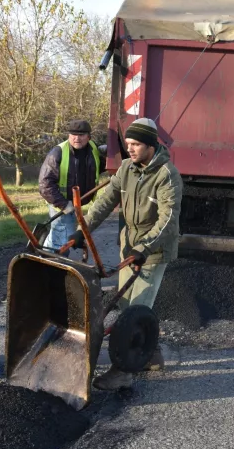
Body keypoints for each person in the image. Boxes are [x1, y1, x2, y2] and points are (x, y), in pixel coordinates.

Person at [68, 118, 183, 390]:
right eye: (128, 144)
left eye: (136, 144)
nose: (130, 149)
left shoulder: (167, 175)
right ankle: (150, 357)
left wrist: (144, 248)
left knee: (134, 310)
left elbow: (168, 220)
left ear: (151, 146)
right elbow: (106, 201)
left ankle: (122, 371)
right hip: (129, 246)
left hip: (152, 251)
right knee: (125, 306)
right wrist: (81, 231)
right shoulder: (127, 169)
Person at [38, 119, 105, 254]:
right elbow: (45, 184)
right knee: (63, 240)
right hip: (61, 203)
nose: (76, 138)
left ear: (88, 137)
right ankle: (56, 269)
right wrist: (64, 204)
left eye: (81, 135)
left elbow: (99, 167)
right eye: (73, 134)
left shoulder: (93, 149)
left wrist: (108, 154)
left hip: (77, 202)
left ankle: (43, 256)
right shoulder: (58, 152)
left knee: (58, 233)